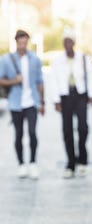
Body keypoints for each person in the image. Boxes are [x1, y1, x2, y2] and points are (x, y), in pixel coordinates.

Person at [50, 27, 92, 179]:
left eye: (70, 41)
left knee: (83, 128)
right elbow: (53, 80)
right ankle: (71, 163)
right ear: (63, 43)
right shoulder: (57, 60)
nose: (68, 44)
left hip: (80, 96)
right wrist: (56, 100)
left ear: (74, 43)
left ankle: (82, 160)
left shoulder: (83, 58)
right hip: (65, 97)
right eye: (65, 41)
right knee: (67, 130)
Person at [0, 29, 45, 179]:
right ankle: (21, 164)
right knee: (18, 135)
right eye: (20, 42)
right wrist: (14, 81)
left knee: (32, 133)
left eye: (25, 42)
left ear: (27, 42)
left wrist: (42, 102)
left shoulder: (35, 59)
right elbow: (1, 80)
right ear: (16, 42)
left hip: (32, 102)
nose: (22, 45)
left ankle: (32, 163)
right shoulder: (6, 60)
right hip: (15, 103)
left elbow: (40, 82)